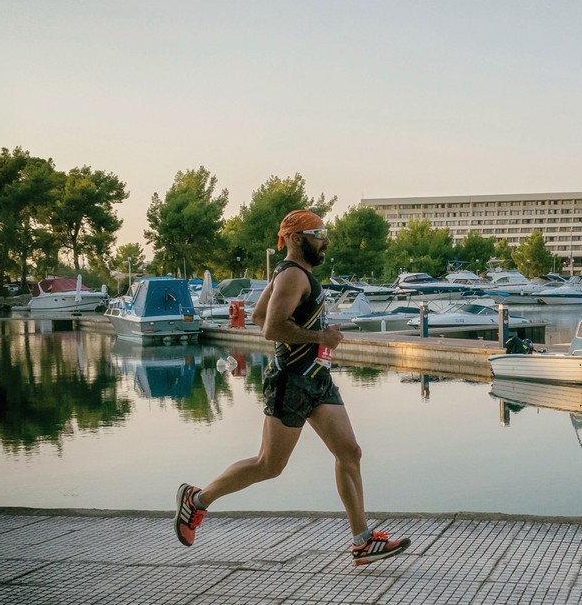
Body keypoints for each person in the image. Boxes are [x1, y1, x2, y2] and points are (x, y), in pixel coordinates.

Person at [174, 209, 409, 566]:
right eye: (318, 233)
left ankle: (362, 541)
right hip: (291, 381)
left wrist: (316, 340)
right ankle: (197, 500)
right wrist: (321, 336)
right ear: (297, 238)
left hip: (316, 379)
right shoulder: (292, 276)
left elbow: (257, 316)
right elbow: (270, 329)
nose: (325, 240)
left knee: (350, 453)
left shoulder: (290, 274)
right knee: (269, 465)